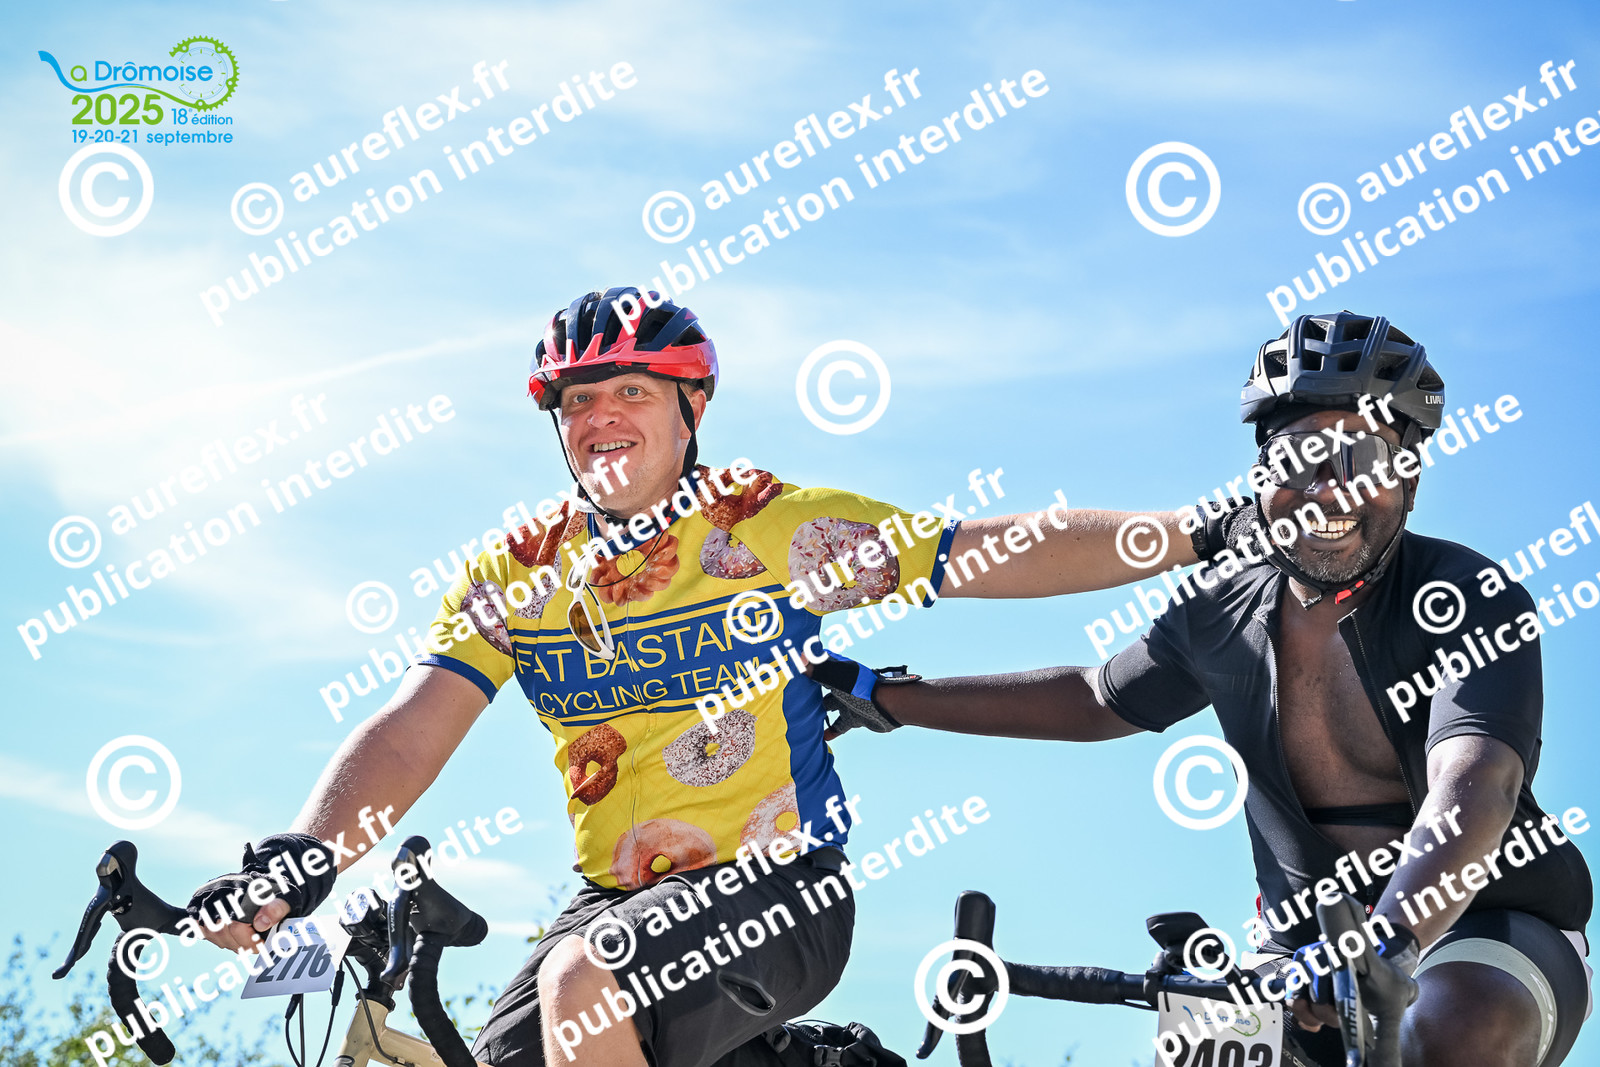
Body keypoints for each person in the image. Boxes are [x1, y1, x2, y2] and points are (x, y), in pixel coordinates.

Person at [185, 286, 1205, 1067]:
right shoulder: (519, 572)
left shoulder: (764, 529)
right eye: (578, 400)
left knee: (586, 981)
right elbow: (414, 724)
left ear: (690, 407)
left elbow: (984, 550)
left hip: (781, 890)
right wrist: (301, 854)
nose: (602, 415)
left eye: (632, 390)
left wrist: (1197, 531)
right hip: (611, 900)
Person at [827, 311, 1594, 1066]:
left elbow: (1477, 781)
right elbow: (1095, 698)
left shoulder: (1467, 592)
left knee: (1452, 1030)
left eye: (1361, 458)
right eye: (1298, 458)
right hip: (1299, 944)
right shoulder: (1223, 605)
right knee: (1196, 1047)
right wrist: (892, 699)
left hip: (1482, 923)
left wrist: (1385, 941)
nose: (1328, 489)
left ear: (1410, 480)